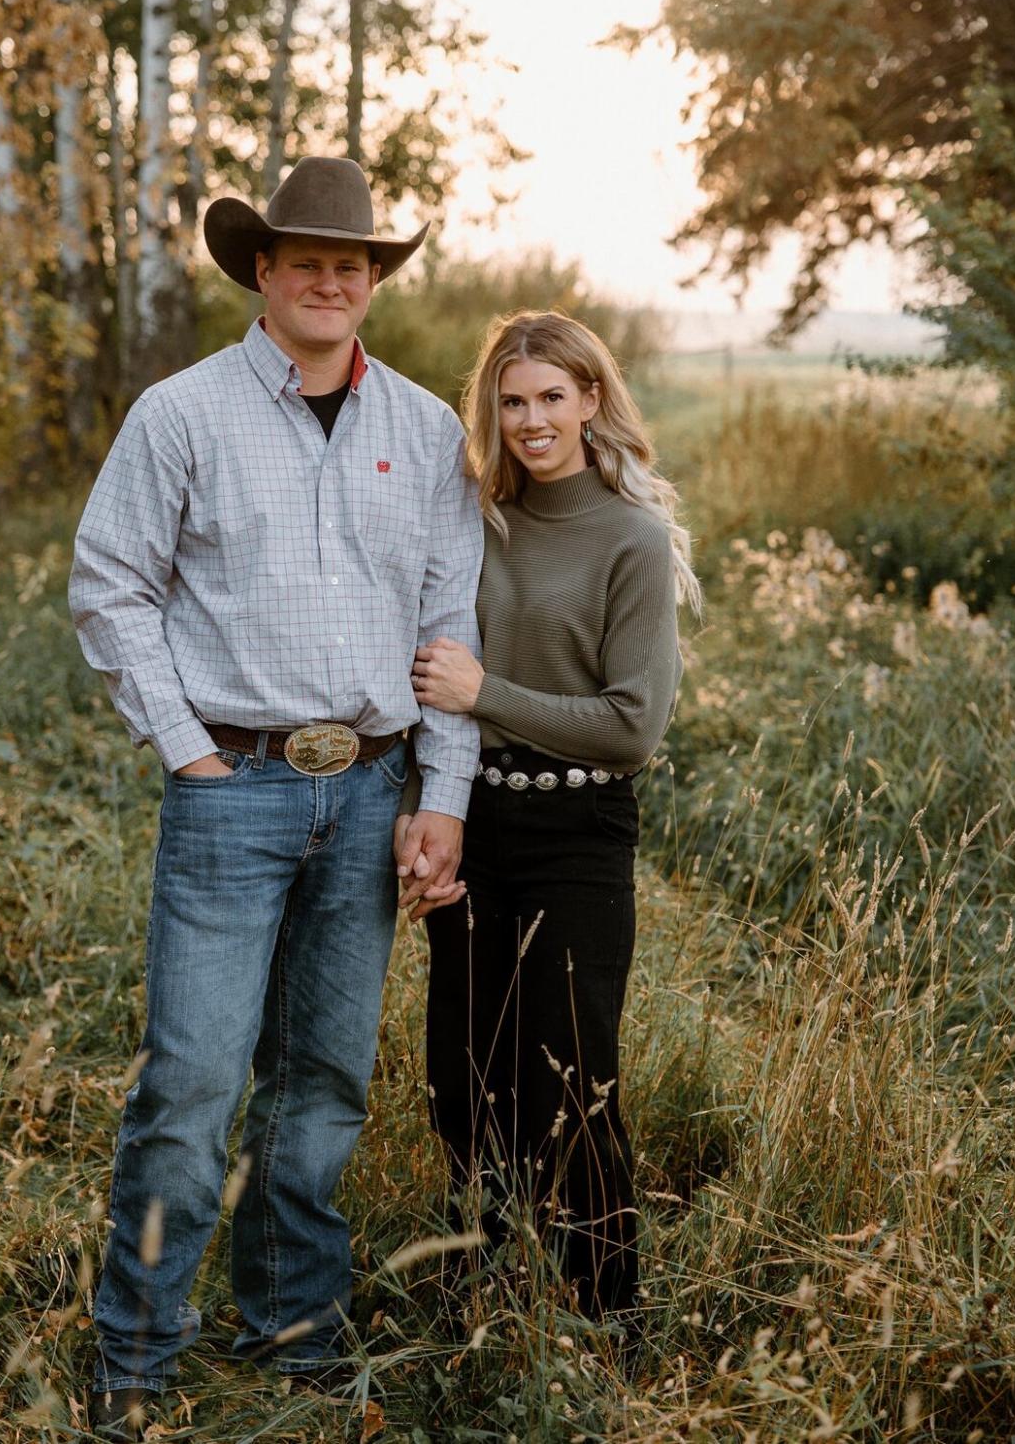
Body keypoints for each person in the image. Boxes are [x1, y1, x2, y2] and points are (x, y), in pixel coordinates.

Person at [69, 156, 483, 1438]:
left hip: (369, 791)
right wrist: (187, 749)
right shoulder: (182, 413)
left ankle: (295, 1337)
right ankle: (136, 1357)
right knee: (190, 1083)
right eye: (304, 260)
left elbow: (448, 618)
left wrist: (443, 792)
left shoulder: (420, 430)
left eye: (351, 264)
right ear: (262, 271)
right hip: (231, 789)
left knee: (325, 1082)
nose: (329, 280)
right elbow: (111, 585)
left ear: (373, 282)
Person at [405, 309, 700, 1321]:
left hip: (580, 831)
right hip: (472, 822)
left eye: (552, 398)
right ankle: (477, 1296)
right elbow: (425, 676)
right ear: (492, 407)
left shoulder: (631, 538)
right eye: (513, 399)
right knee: (464, 1074)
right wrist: (423, 812)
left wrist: (486, 692)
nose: (532, 420)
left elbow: (630, 728)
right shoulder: (471, 517)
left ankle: (603, 1317)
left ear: (590, 401)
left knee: (569, 1081)